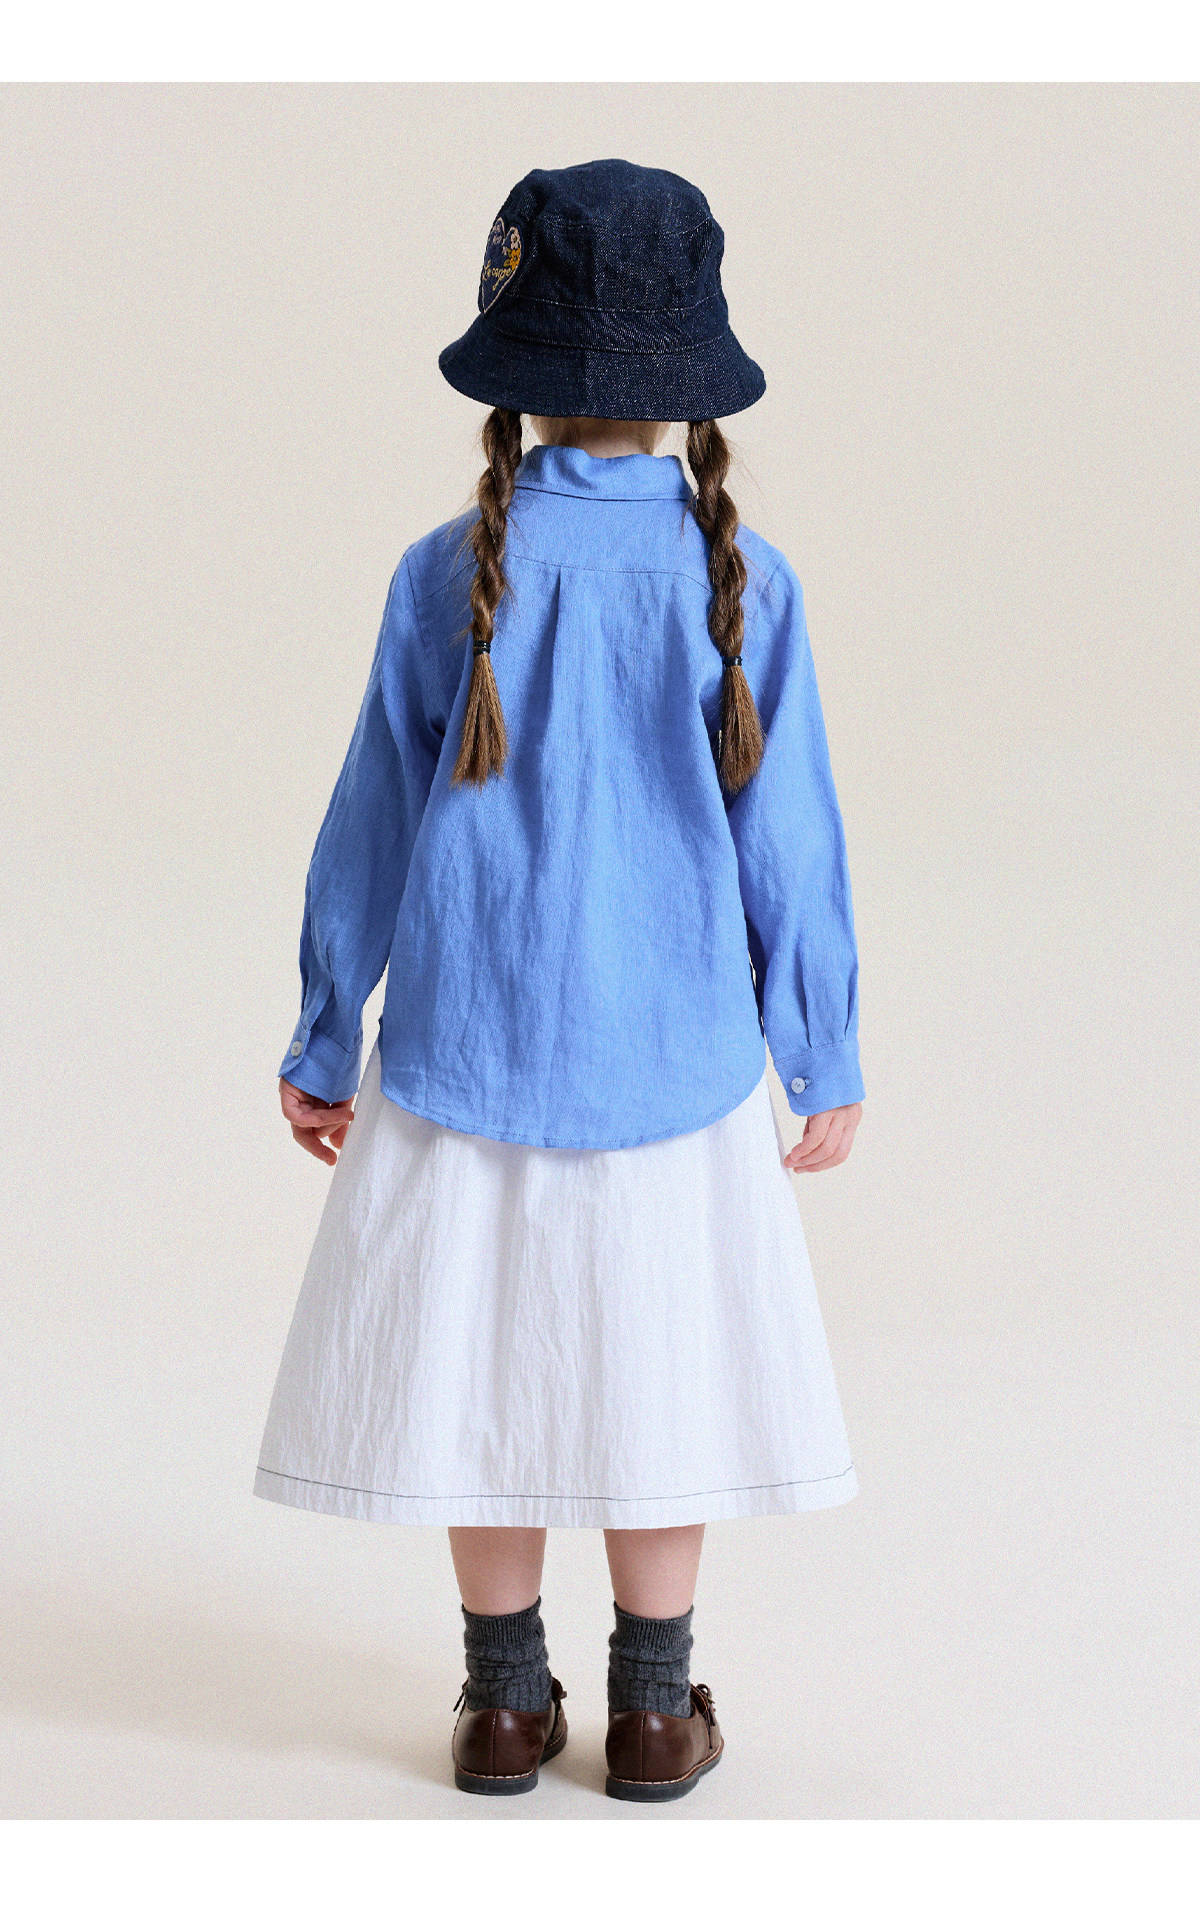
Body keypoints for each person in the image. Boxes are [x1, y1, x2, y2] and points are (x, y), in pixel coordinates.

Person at [255, 158, 865, 1804]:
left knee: (482, 1374)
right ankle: (655, 1711)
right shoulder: (748, 582)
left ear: (512, 373)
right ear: (692, 387)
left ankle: (502, 1704)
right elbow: (791, 837)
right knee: (659, 1378)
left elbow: (369, 817)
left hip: (471, 1049)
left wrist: (324, 1031)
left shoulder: (443, 574)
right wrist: (819, 1049)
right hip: (677, 1060)